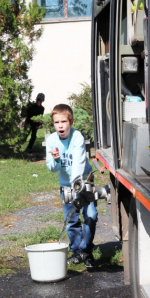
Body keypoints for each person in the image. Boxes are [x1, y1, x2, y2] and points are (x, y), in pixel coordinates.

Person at [46, 104, 98, 267]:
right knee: (72, 220)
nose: (60, 125)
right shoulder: (52, 140)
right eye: (56, 122)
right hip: (66, 185)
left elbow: (78, 164)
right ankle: (76, 251)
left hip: (84, 181)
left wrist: (77, 189)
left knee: (91, 215)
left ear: (71, 122)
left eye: (63, 121)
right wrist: (55, 159)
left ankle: (86, 250)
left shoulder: (77, 138)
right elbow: (52, 168)